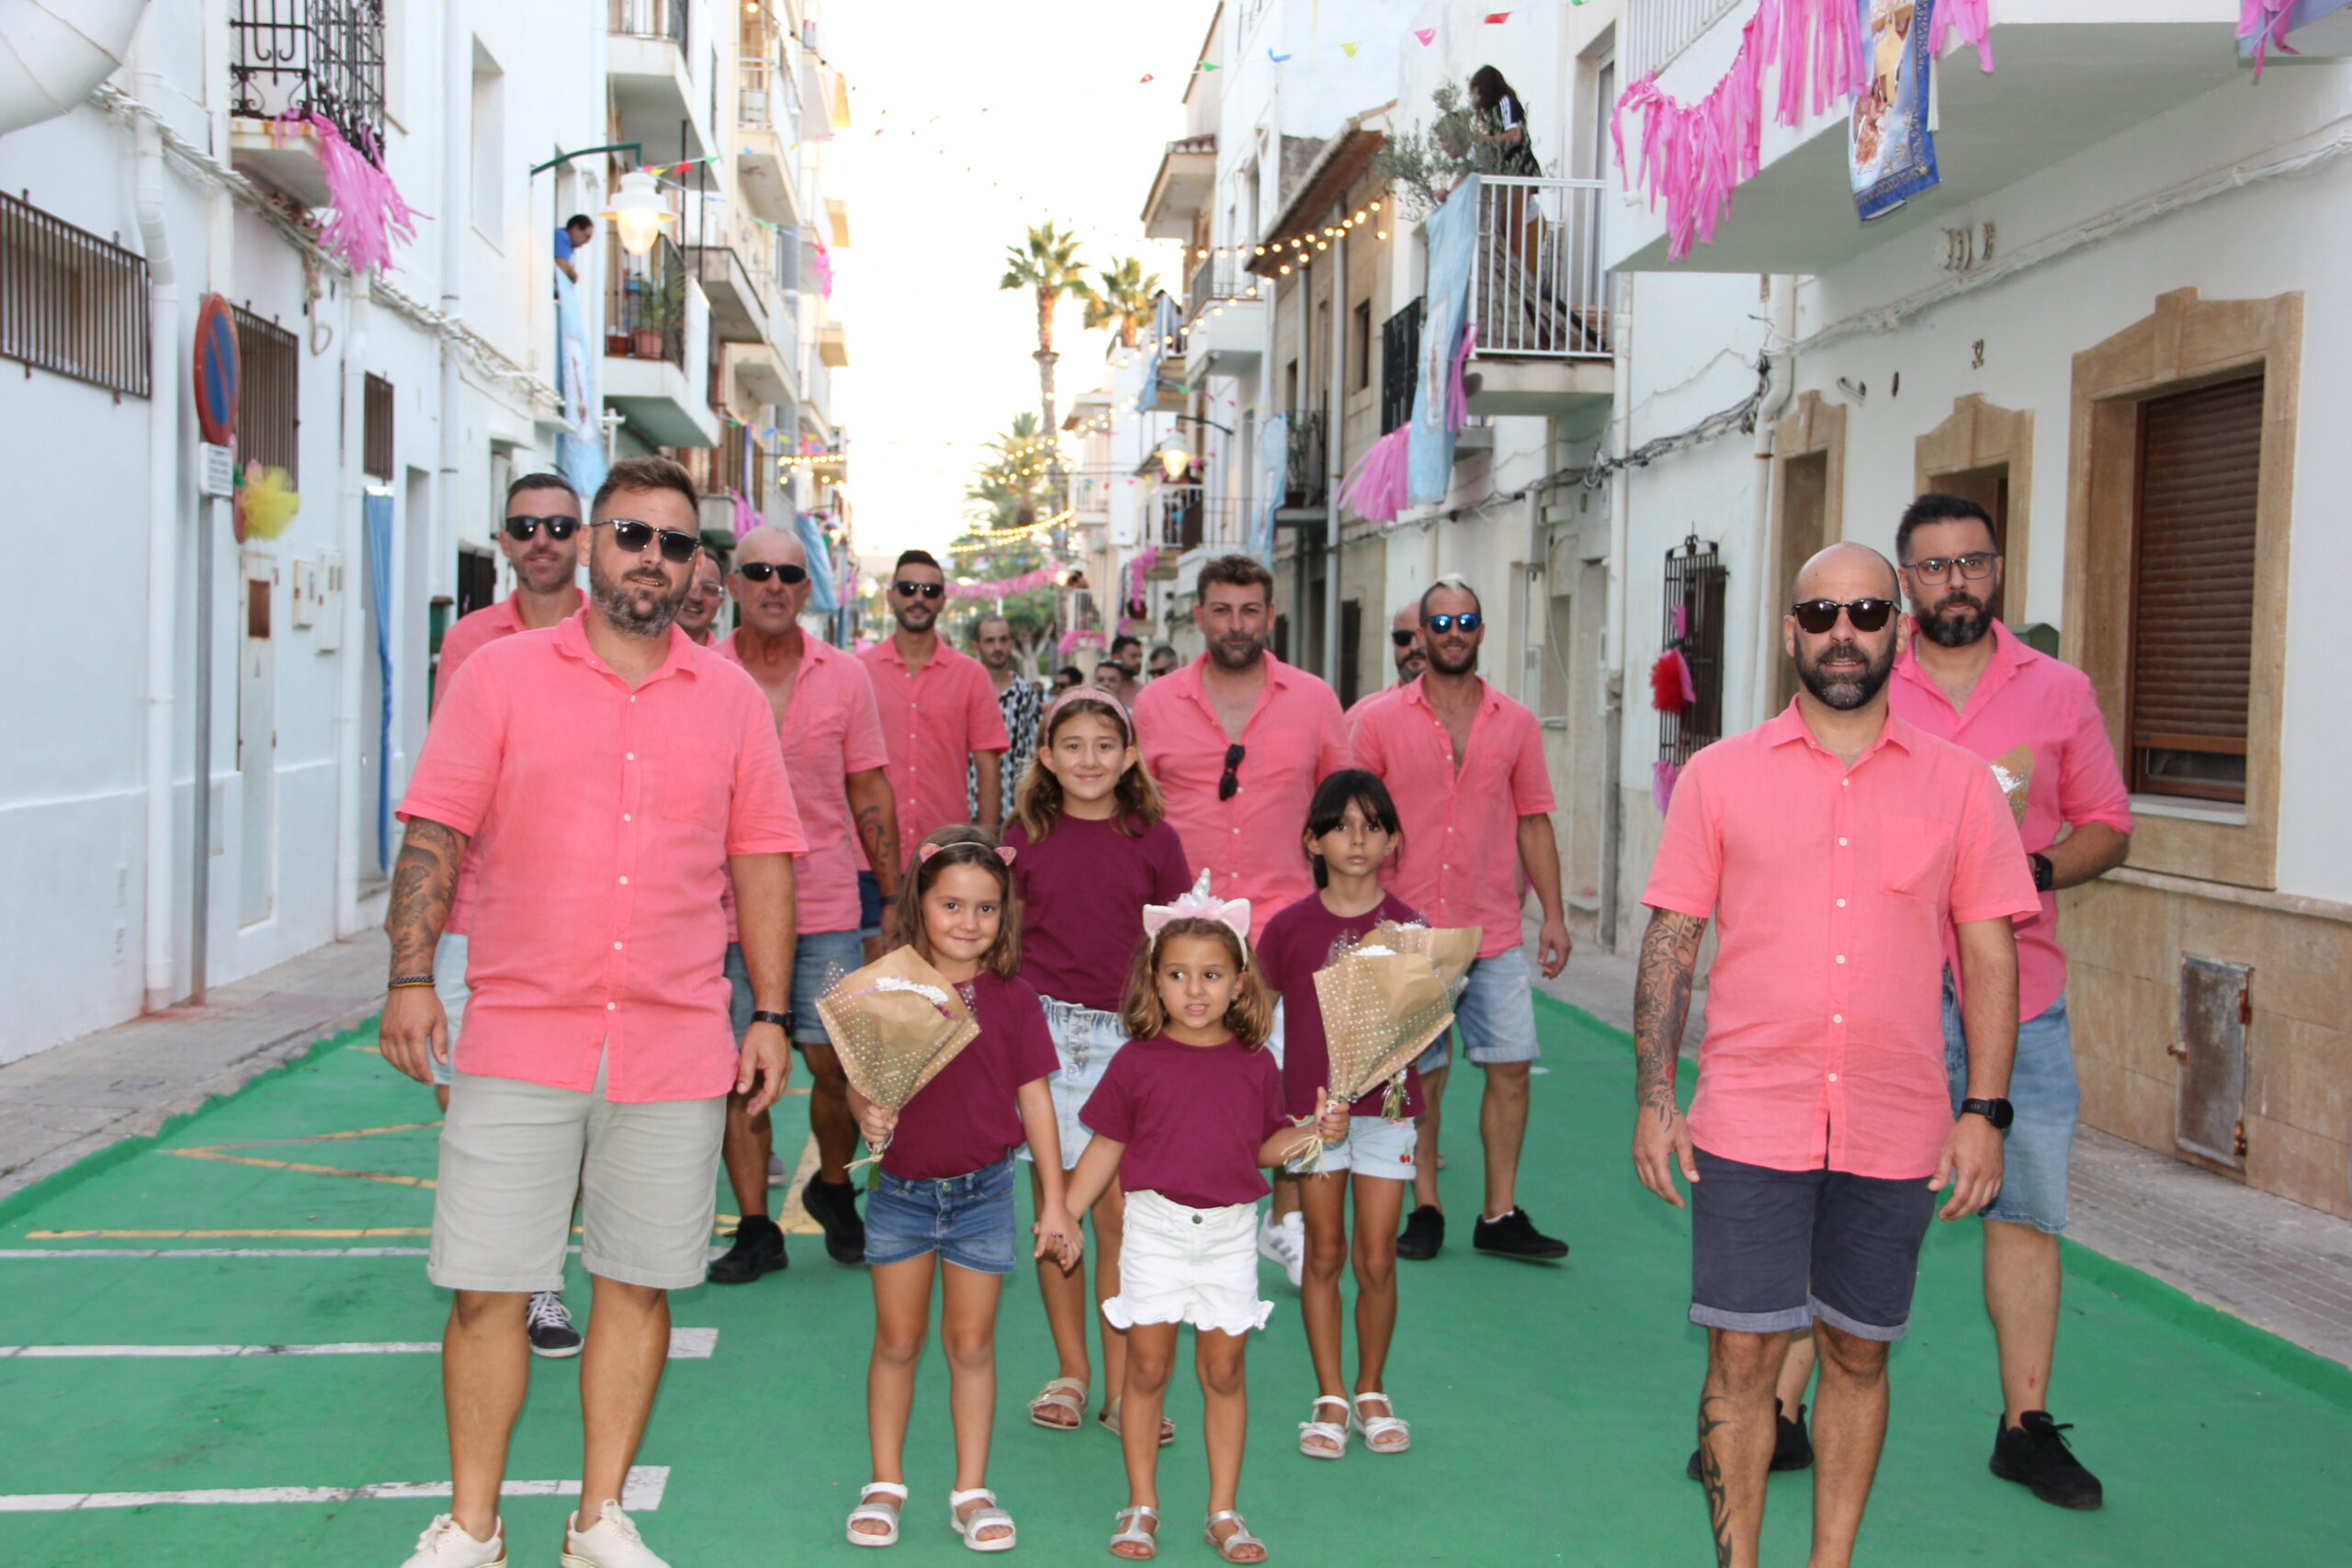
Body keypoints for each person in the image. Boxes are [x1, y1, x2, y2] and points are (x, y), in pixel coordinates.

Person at [381, 455, 804, 1568]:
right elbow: (435, 830)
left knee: (637, 1281)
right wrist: (410, 977)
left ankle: (597, 1519)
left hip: (673, 1041)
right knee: (486, 1290)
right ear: (589, 544)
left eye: (674, 543)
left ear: (693, 565)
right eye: (630, 536)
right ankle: (471, 1526)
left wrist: (768, 1010)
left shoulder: (729, 703)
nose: (650, 560)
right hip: (522, 1030)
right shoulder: (500, 676)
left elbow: (762, 857)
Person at [1631, 541, 2040, 1568]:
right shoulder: (1719, 777)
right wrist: (1652, 1093)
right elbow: (1673, 937)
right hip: (1751, 1116)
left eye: (1865, 612)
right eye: (1820, 616)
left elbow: (1989, 953)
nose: (1843, 634)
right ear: (1789, 635)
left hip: (1896, 1123)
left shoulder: (1958, 787)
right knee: (1740, 1355)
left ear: (1897, 630)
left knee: (1858, 1352)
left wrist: (1984, 1111)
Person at [1889, 493, 2132, 1508]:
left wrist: (2020, 866)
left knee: (2024, 1213)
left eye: (1973, 562)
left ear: (1997, 570)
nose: (1956, 582)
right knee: (1847, 1204)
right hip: (1890, 997)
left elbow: (2107, 827)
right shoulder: (1860, 677)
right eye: (1935, 566)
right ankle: (1778, 1413)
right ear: (1905, 580)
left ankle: (2024, 1426)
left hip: (2021, 997)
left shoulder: (2059, 689)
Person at [1060, 880, 1348, 1562]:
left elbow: (1268, 1144)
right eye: (1179, 974)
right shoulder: (1135, 1061)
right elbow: (1106, 1145)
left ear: (1239, 982)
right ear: (1154, 982)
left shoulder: (1256, 1063)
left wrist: (1316, 1130)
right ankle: (1141, 1503)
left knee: (1223, 1373)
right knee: (1147, 1368)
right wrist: (1063, 1212)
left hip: (1228, 1235)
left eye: (1212, 975)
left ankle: (1222, 1509)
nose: (1196, 989)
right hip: (1154, 1229)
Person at [843, 829, 1075, 1551]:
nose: (968, 922)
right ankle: (884, 1482)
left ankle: (971, 1489)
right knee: (898, 1339)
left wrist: (1057, 1200)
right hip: (901, 1195)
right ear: (920, 902)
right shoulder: (886, 986)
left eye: (986, 908)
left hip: (984, 1194)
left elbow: (1036, 1101)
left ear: (1005, 915)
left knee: (972, 1344)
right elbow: (861, 1079)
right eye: (951, 904)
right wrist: (866, 1111)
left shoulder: (1015, 997)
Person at [1132, 554, 1351, 1286]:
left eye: (1250, 609)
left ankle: (1281, 1220)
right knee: (1187, 1080)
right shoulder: (1156, 704)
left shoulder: (1316, 700)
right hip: (1184, 930)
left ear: (1271, 614)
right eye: (1222, 610)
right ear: (1198, 615)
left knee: (1286, 1079)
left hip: (1289, 921)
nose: (1236, 624)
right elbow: (1137, 818)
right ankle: (1182, 1220)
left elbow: (1342, 810)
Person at [1353, 578, 1573, 1262]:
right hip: (1408, 929)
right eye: (1440, 620)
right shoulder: (1378, 720)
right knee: (1422, 1077)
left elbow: (1534, 822)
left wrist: (1555, 918)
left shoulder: (1516, 722)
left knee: (1510, 1066)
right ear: (1420, 632)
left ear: (1481, 629)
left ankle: (1499, 1213)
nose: (1454, 631)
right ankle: (1425, 1206)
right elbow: (1353, 823)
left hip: (1494, 929)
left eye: (1467, 620)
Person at [708, 526, 901, 1281]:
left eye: (790, 573)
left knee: (836, 1065)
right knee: (735, 1072)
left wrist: (891, 898)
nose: (774, 584)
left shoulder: (846, 676)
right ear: (733, 583)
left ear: (808, 587)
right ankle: (758, 1227)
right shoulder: (698, 670)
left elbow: (869, 791)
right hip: (720, 907)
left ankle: (830, 1186)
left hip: (825, 902)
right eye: (758, 571)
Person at [1001, 691, 1194, 1445]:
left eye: (1105, 745)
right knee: (1058, 1208)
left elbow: (1182, 947)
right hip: (1042, 1039)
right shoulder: (1024, 835)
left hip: (1128, 1040)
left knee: (1118, 1216)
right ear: (1046, 756)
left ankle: (1124, 1390)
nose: (1089, 759)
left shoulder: (1154, 837)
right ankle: (1071, 1371)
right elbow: (999, 940)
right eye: (1072, 745)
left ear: (1130, 754)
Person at [424, 471, 588, 1355]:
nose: (542, 539)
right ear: (504, 540)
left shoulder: (610, 632)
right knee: (471, 1107)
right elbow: (451, 785)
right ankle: (500, 1265)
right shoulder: (471, 643)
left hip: (567, 912)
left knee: (556, 1108)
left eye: (559, 524)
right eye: (525, 525)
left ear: (585, 538)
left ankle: (541, 1281)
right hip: (471, 910)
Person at [1253, 770, 1424, 1460]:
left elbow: (1421, 1023)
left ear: (1393, 839)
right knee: (1324, 1251)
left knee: (1378, 1256)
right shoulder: (1289, 928)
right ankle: (1328, 1393)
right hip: (1313, 1117)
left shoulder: (1411, 927)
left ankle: (1371, 1386)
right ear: (1312, 839)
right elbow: (1256, 1018)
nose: (1357, 838)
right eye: (1341, 825)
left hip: (1387, 1114)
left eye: (1373, 824)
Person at [858, 549, 1011, 868]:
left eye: (930, 591)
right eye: (907, 589)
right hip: (868, 854)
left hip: (947, 854)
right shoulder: (859, 672)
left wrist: (982, 848)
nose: (918, 598)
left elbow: (988, 768)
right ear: (891, 596)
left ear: (942, 601)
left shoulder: (971, 676)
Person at [970, 614, 1044, 828]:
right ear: (977, 646)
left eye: (1003, 640)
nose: (997, 647)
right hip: (968, 808)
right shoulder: (965, 691)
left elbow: (1035, 754)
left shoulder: (1026, 695)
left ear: (1011, 645)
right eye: (990, 641)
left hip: (1015, 812)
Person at [1346, 604, 1427, 719]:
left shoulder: (1458, 712)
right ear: (1394, 642)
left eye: (1422, 637)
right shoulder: (1362, 715)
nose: (1414, 647)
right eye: (1403, 638)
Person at [676, 551, 726, 645]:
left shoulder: (728, 659)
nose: (696, 597)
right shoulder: (642, 654)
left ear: (720, 602)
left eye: (709, 589)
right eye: (688, 584)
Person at [552, 214, 595, 285]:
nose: (587, 241)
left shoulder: (569, 244)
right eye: (587, 236)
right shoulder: (561, 235)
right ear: (576, 228)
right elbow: (562, 264)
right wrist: (573, 275)